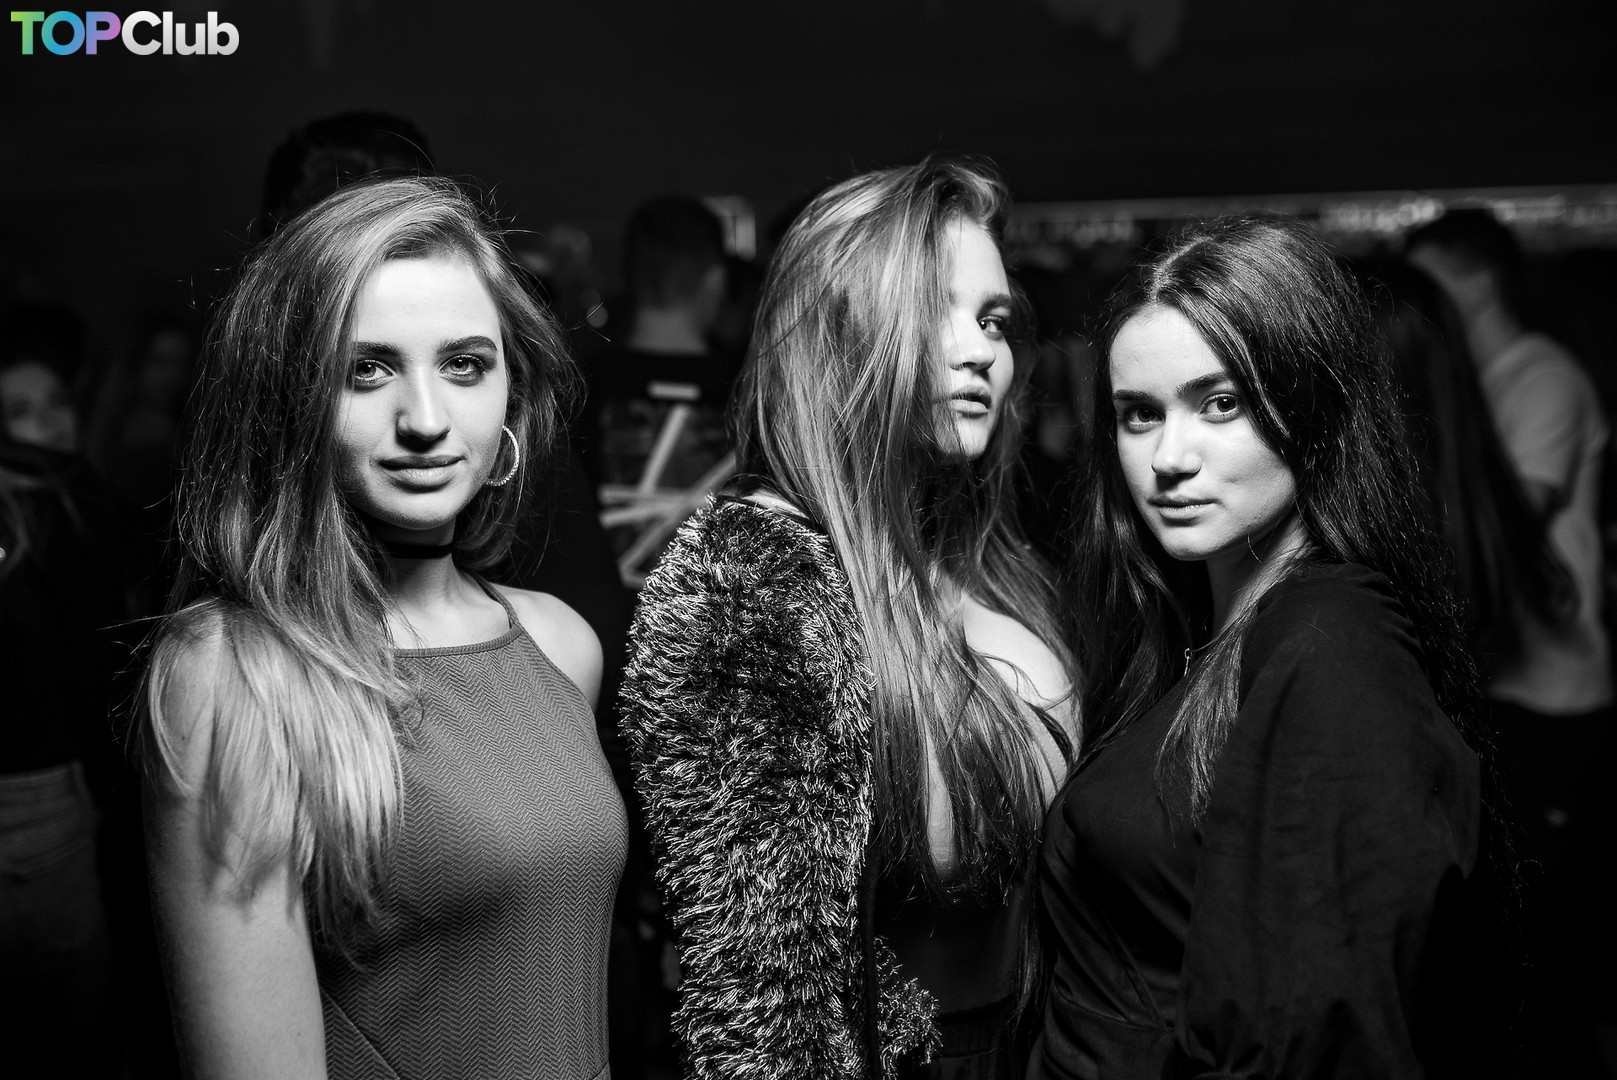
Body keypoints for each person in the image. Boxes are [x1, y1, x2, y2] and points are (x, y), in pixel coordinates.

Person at [140, 176, 626, 1080]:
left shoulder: (560, 646)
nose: (426, 421)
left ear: (512, 394)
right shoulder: (236, 672)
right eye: (366, 370)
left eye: (464, 365)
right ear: (288, 400)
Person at [620, 155, 1077, 1079]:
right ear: (836, 332)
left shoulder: (989, 562)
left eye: (993, 320)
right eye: (934, 309)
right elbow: (760, 1017)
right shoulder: (752, 584)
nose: (980, 350)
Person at [1034, 216, 1485, 1079]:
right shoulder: (1203, 631)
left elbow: (1329, 1040)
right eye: (1138, 415)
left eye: (1221, 404)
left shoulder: (1331, 644)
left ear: (1311, 407)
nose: (1168, 458)